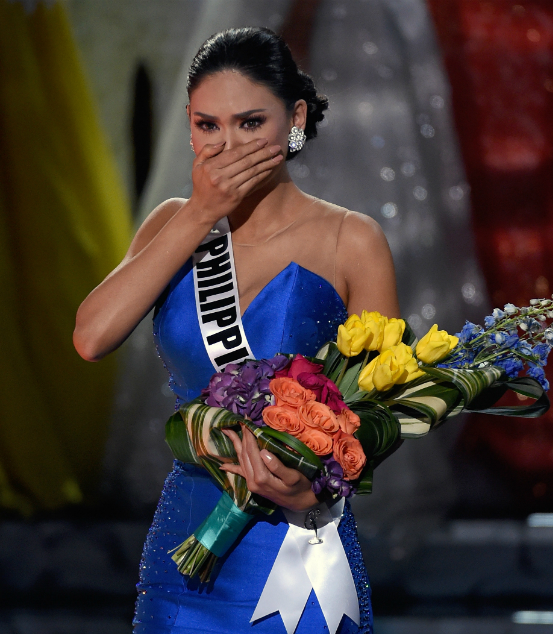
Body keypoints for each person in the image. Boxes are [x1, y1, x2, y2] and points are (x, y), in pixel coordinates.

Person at [74, 27, 398, 634]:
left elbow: (384, 409)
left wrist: (315, 493)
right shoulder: (174, 224)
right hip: (185, 547)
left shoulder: (350, 240)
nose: (227, 147)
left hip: (299, 546)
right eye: (208, 126)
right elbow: (92, 337)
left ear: (295, 118)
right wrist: (199, 214)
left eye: (250, 123)